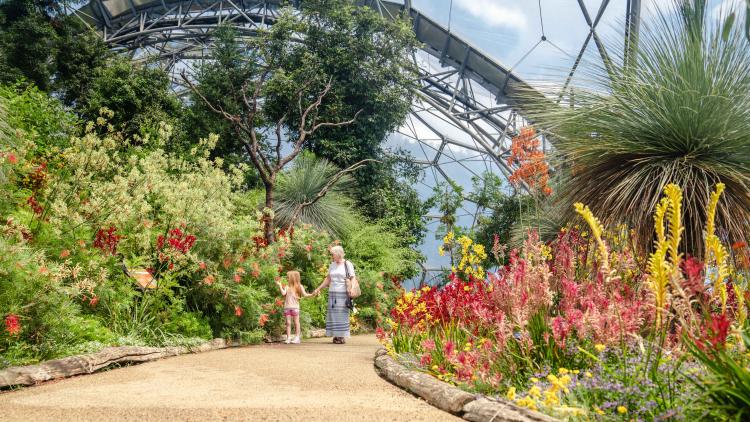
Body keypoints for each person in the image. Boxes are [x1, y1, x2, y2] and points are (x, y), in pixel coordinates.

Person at [312, 245, 356, 344]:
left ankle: (341, 336)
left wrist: (352, 289)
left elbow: (353, 277)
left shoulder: (347, 264)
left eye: (333, 254)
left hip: (343, 292)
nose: (332, 256)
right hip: (332, 292)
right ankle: (336, 336)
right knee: (333, 315)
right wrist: (318, 288)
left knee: (341, 314)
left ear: (338, 254)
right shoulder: (332, 265)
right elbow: (328, 279)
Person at [276, 270, 313, 344]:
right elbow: (283, 293)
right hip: (287, 307)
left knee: (296, 323)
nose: (287, 279)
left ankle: (297, 337)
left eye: (288, 277)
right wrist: (280, 285)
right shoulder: (287, 287)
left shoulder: (299, 287)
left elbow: (305, 294)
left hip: (295, 308)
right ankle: (288, 337)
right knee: (288, 323)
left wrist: (313, 294)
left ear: (292, 278)